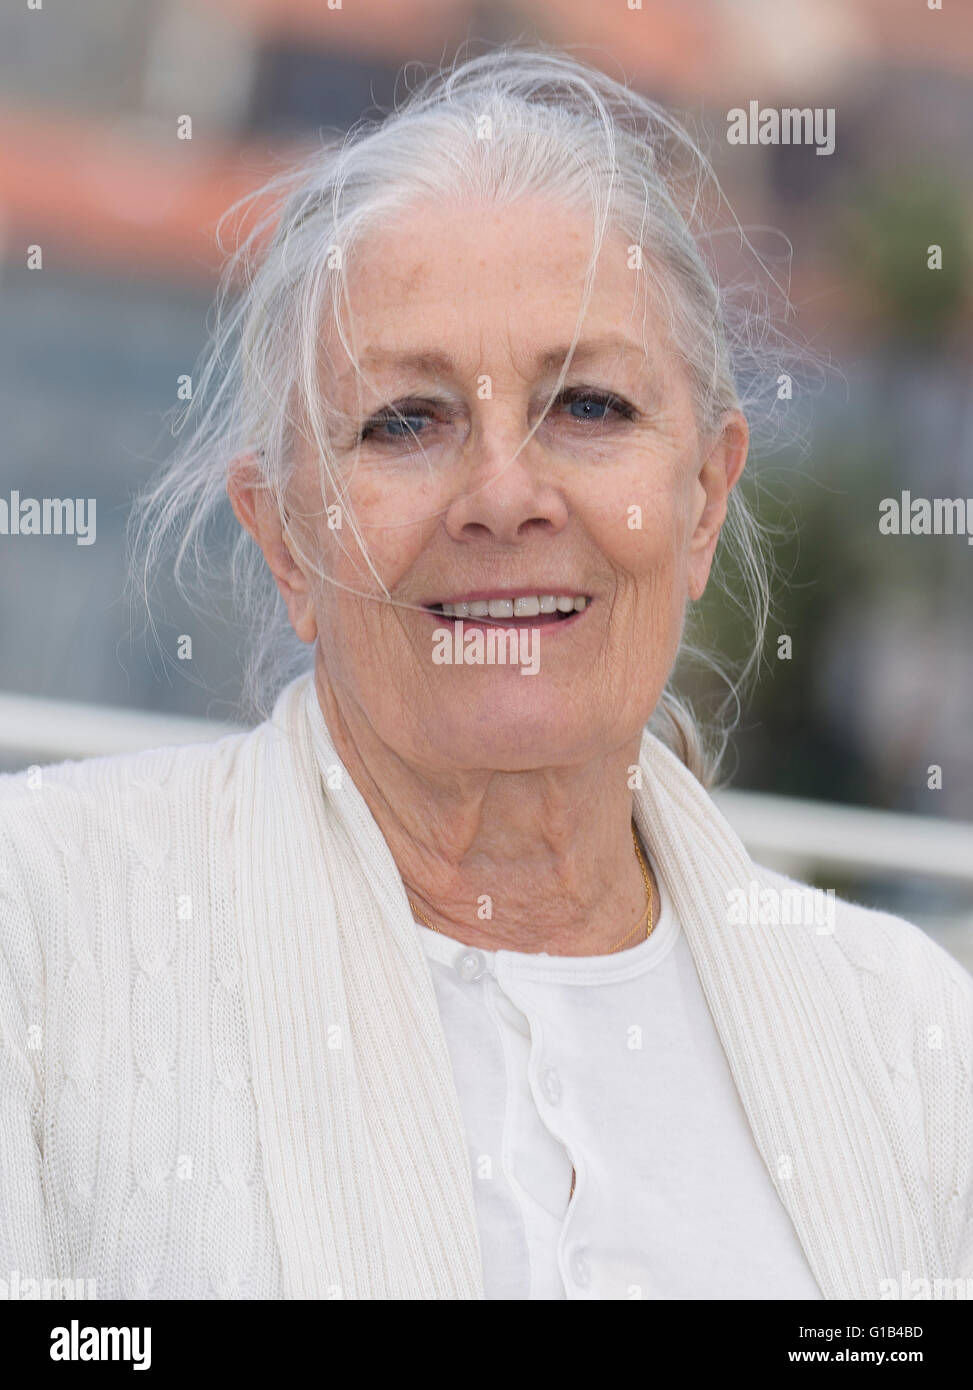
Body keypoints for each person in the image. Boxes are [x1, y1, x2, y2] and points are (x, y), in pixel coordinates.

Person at [1, 44, 970, 1302]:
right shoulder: (45, 927)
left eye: (592, 409)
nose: (504, 496)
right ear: (284, 535)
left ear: (702, 504)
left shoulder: (906, 1034)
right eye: (406, 420)